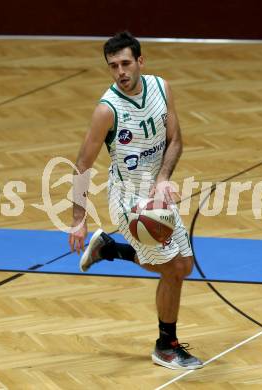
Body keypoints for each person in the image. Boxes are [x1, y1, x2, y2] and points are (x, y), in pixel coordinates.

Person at [69, 31, 203, 370]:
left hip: (156, 193)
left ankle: (109, 249)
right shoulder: (107, 110)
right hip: (129, 201)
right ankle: (165, 346)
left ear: (140, 61)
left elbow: (176, 140)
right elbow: (82, 165)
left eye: (126, 63)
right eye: (113, 66)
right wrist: (78, 219)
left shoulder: (161, 88)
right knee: (172, 269)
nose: (120, 72)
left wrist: (163, 179)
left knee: (183, 266)